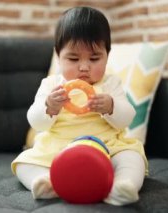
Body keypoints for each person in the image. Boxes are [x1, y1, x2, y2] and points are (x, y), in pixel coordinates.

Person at [11, 6, 148, 206]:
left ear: (107, 55)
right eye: (73, 58)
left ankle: (121, 186)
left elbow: (127, 118)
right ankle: (49, 183)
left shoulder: (110, 84)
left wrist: (111, 106)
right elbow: (36, 121)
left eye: (94, 58)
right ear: (58, 56)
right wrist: (50, 106)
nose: (84, 67)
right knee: (24, 163)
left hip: (106, 146)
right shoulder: (51, 85)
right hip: (59, 148)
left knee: (132, 157)